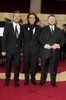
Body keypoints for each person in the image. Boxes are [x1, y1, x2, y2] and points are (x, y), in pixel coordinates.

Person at [39, 14, 65, 87]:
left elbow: (63, 40)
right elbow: (40, 39)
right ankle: (42, 81)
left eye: (53, 19)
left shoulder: (59, 30)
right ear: (48, 20)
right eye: (50, 19)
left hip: (55, 53)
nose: (51, 20)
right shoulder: (43, 29)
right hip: (45, 53)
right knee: (44, 68)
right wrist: (45, 45)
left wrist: (58, 45)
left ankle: (53, 82)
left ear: (55, 21)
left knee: (53, 69)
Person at [2, 11, 22, 87]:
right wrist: (3, 50)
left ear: (20, 18)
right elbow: (4, 39)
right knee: (8, 66)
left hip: (17, 51)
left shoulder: (22, 27)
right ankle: (7, 80)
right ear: (13, 17)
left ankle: (16, 80)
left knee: (17, 66)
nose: (17, 17)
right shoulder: (7, 26)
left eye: (18, 16)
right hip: (8, 50)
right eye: (15, 16)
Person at [22, 13, 41, 85]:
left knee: (33, 65)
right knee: (26, 64)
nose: (32, 19)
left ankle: (33, 78)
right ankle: (26, 79)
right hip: (26, 49)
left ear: (35, 19)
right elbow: (20, 37)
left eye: (33, 18)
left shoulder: (39, 28)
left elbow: (41, 39)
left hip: (35, 50)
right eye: (30, 18)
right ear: (28, 19)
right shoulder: (23, 27)